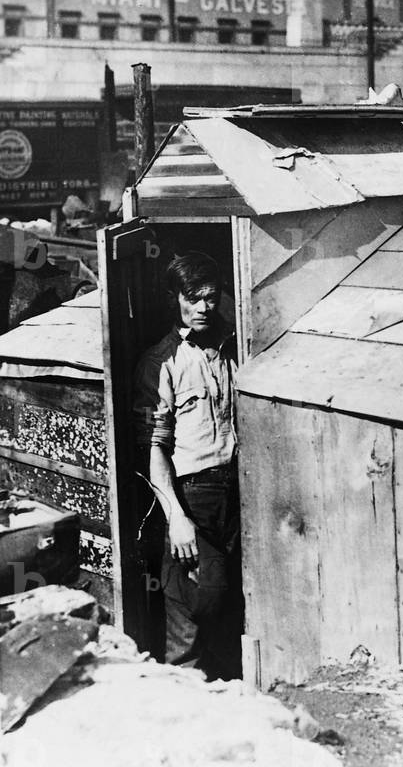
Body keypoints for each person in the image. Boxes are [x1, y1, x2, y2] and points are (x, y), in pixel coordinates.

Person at [133, 251, 242, 680]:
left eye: (210, 297)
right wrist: (176, 518)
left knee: (230, 606)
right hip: (191, 495)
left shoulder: (232, 346)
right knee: (193, 606)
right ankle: (184, 699)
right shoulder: (161, 362)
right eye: (192, 297)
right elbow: (153, 451)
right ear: (173, 298)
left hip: (237, 492)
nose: (202, 308)